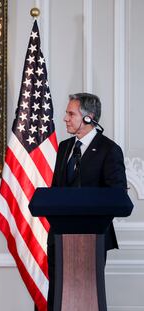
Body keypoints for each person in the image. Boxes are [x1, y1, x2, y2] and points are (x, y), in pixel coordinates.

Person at [47, 93, 127, 310]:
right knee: (57, 296)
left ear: (89, 118)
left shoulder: (109, 150)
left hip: (93, 237)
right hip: (59, 238)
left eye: (71, 113)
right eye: (67, 113)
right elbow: (56, 191)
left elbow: (118, 196)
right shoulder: (64, 148)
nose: (65, 118)